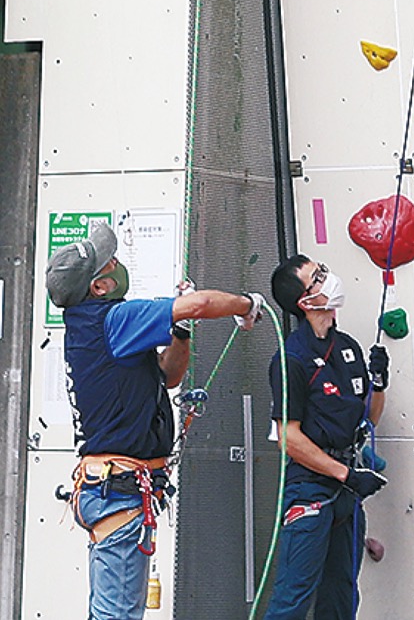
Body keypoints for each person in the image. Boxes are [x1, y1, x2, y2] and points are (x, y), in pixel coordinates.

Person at [46, 219, 264, 619]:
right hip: (121, 494)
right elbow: (199, 304)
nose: (116, 262)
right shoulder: (113, 321)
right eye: (109, 262)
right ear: (100, 287)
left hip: (114, 490)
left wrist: (179, 330)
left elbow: (168, 376)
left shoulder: (91, 328)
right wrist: (246, 305)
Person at [263, 254, 389, 620]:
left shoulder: (347, 346)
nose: (328, 277)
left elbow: (369, 418)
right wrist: (344, 474)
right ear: (305, 302)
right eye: (317, 277)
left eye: (323, 270)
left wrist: (378, 384)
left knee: (341, 596)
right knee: (293, 598)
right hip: (312, 491)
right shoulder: (291, 358)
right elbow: (289, 438)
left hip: (349, 490)